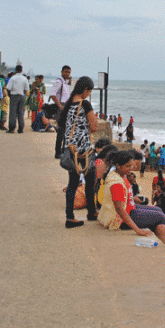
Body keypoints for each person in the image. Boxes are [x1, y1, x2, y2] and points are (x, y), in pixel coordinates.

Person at [97, 151, 165, 249]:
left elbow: (122, 198)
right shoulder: (117, 184)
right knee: (161, 217)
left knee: (159, 210)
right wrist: (137, 230)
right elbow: (120, 209)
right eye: (128, 166)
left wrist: (133, 198)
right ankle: (164, 243)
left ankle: (164, 239)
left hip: (130, 208)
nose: (131, 169)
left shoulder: (118, 174)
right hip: (120, 219)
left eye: (131, 166)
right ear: (118, 166)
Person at [59, 75, 98, 228]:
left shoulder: (68, 104)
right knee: (90, 180)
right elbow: (94, 126)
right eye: (89, 91)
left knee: (72, 183)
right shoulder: (85, 104)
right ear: (85, 90)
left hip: (71, 148)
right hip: (84, 149)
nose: (88, 94)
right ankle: (91, 212)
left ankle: (70, 216)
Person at [49, 65, 73, 157]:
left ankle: (62, 150)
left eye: (69, 72)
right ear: (62, 72)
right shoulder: (59, 82)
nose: (67, 74)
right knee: (61, 130)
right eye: (66, 72)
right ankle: (58, 152)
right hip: (61, 107)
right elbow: (52, 94)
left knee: (65, 130)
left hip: (65, 106)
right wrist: (60, 106)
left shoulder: (64, 82)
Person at [6, 64, 30, 133]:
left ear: (16, 70)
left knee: (13, 113)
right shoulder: (24, 78)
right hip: (22, 95)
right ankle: (21, 128)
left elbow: (8, 88)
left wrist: (9, 95)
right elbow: (26, 89)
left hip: (14, 95)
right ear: (22, 70)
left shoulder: (13, 78)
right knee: (21, 113)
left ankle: (12, 128)